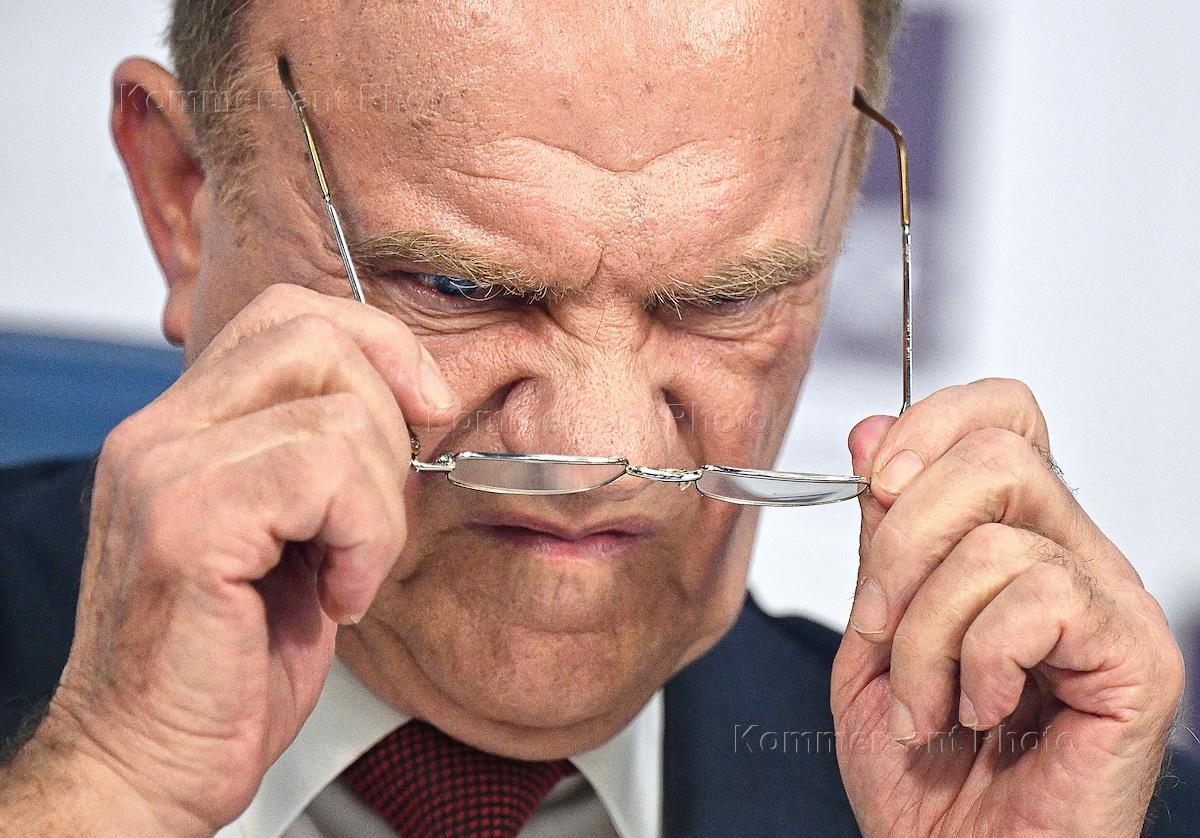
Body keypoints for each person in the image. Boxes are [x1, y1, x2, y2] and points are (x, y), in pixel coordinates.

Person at [1, 1, 1198, 835]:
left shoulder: (1059, 797)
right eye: (458, 287)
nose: (599, 451)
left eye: (726, 299)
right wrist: (101, 794)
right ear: (184, 198)